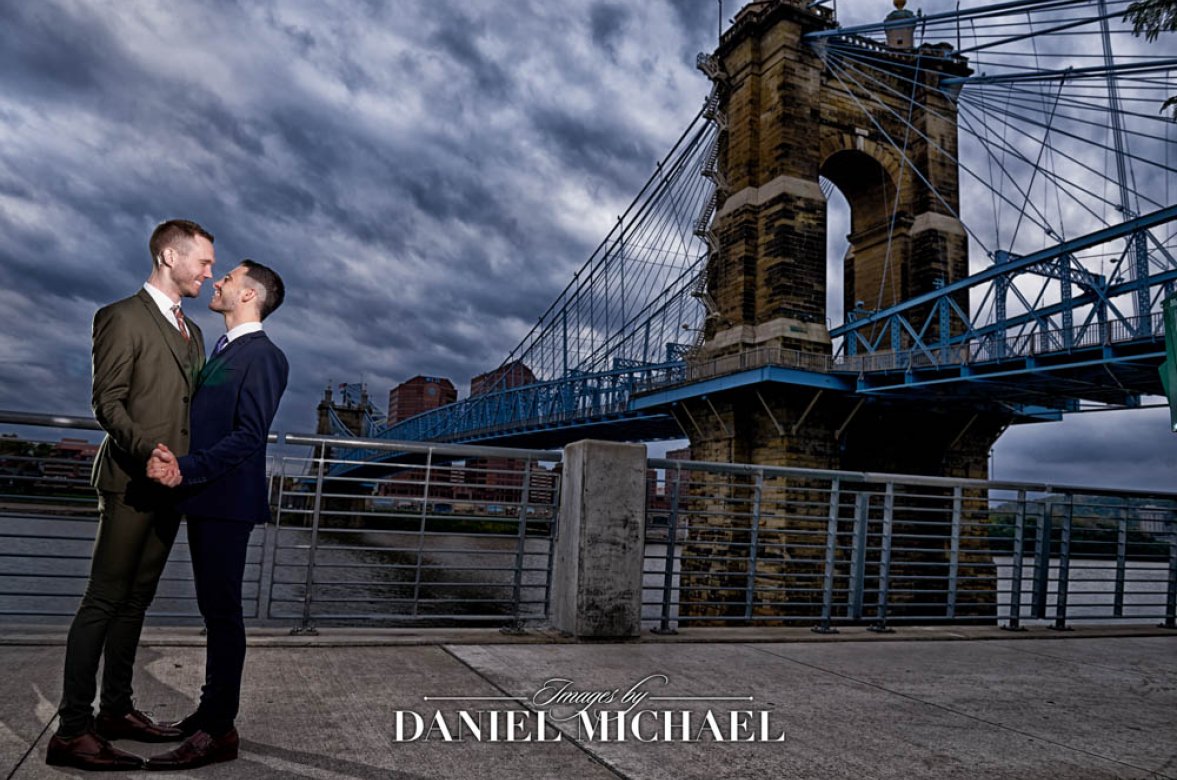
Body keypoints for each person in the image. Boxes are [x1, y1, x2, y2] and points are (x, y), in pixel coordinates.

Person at [47, 220, 215, 771]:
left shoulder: (193, 332)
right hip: (131, 481)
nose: (209, 272)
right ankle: (72, 731)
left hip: (173, 487)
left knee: (137, 601)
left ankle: (115, 710)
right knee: (102, 602)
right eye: (204, 262)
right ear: (170, 256)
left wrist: (188, 468)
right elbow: (107, 402)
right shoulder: (120, 316)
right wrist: (151, 452)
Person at [143, 259, 289, 770]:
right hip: (204, 497)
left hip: (226, 502)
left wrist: (186, 468)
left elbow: (250, 436)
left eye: (228, 277)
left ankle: (218, 729)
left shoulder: (265, 356)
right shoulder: (222, 349)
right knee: (213, 613)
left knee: (224, 616)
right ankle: (207, 713)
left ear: (250, 295)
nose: (218, 281)